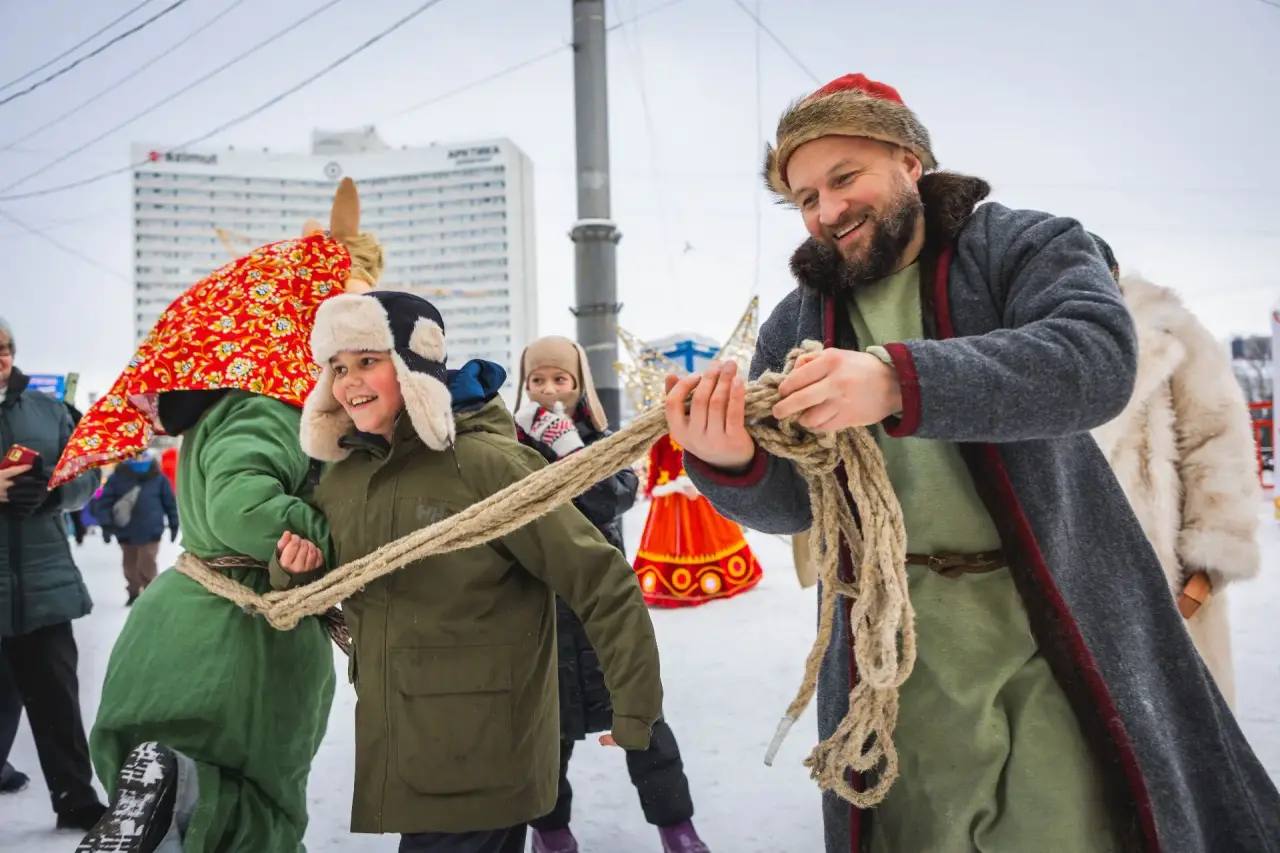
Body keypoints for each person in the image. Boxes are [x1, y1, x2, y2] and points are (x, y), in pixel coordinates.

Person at [666, 72, 1280, 852]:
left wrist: (895, 380)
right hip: (897, 662)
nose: (826, 212)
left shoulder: (1025, 245)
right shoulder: (799, 319)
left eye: (844, 178)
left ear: (911, 161)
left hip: (1051, 628)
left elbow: (1094, 358)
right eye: (805, 198)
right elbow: (794, 503)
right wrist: (729, 460)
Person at [276, 292, 663, 853]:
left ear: (412, 367)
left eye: (366, 361)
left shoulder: (487, 464)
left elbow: (600, 580)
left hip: (485, 750)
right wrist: (297, 572)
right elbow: (339, 583)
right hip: (403, 738)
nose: (348, 381)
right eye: (337, 367)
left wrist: (635, 705)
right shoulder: (344, 477)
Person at [70, 179, 382, 852]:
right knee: (255, 809)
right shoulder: (273, 401)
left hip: (187, 629)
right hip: (238, 639)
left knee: (165, 806)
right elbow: (242, 506)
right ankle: (185, 787)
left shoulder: (246, 394)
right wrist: (345, 541)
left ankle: (170, 786)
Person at [513, 336, 707, 853]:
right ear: (525, 386)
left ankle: (677, 827)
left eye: (561, 379)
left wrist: (570, 451)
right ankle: (551, 831)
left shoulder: (605, 440)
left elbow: (614, 498)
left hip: (606, 605)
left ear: (579, 384)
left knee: (643, 719)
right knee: (544, 733)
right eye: (539, 380)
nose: (551, 389)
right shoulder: (508, 447)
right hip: (540, 611)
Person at [1089, 235, 1262, 707]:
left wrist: (1204, 578)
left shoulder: (1172, 333)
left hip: (1165, 590)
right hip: (1058, 592)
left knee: (1177, 737)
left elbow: (1219, 444)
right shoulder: (1024, 340)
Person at [0, 314, 107, 830]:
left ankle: (76, 797)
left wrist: (54, 489)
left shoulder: (49, 411)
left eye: (5, 347)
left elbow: (88, 479)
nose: (1, 356)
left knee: (56, 699)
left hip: (43, 584)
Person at [91, 450, 180, 605]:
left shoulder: (158, 478)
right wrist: (106, 524)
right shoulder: (118, 477)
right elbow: (104, 502)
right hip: (126, 531)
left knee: (147, 563)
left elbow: (169, 504)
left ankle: (152, 594)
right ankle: (133, 591)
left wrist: (174, 524)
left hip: (152, 530)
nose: (139, 459)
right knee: (130, 566)